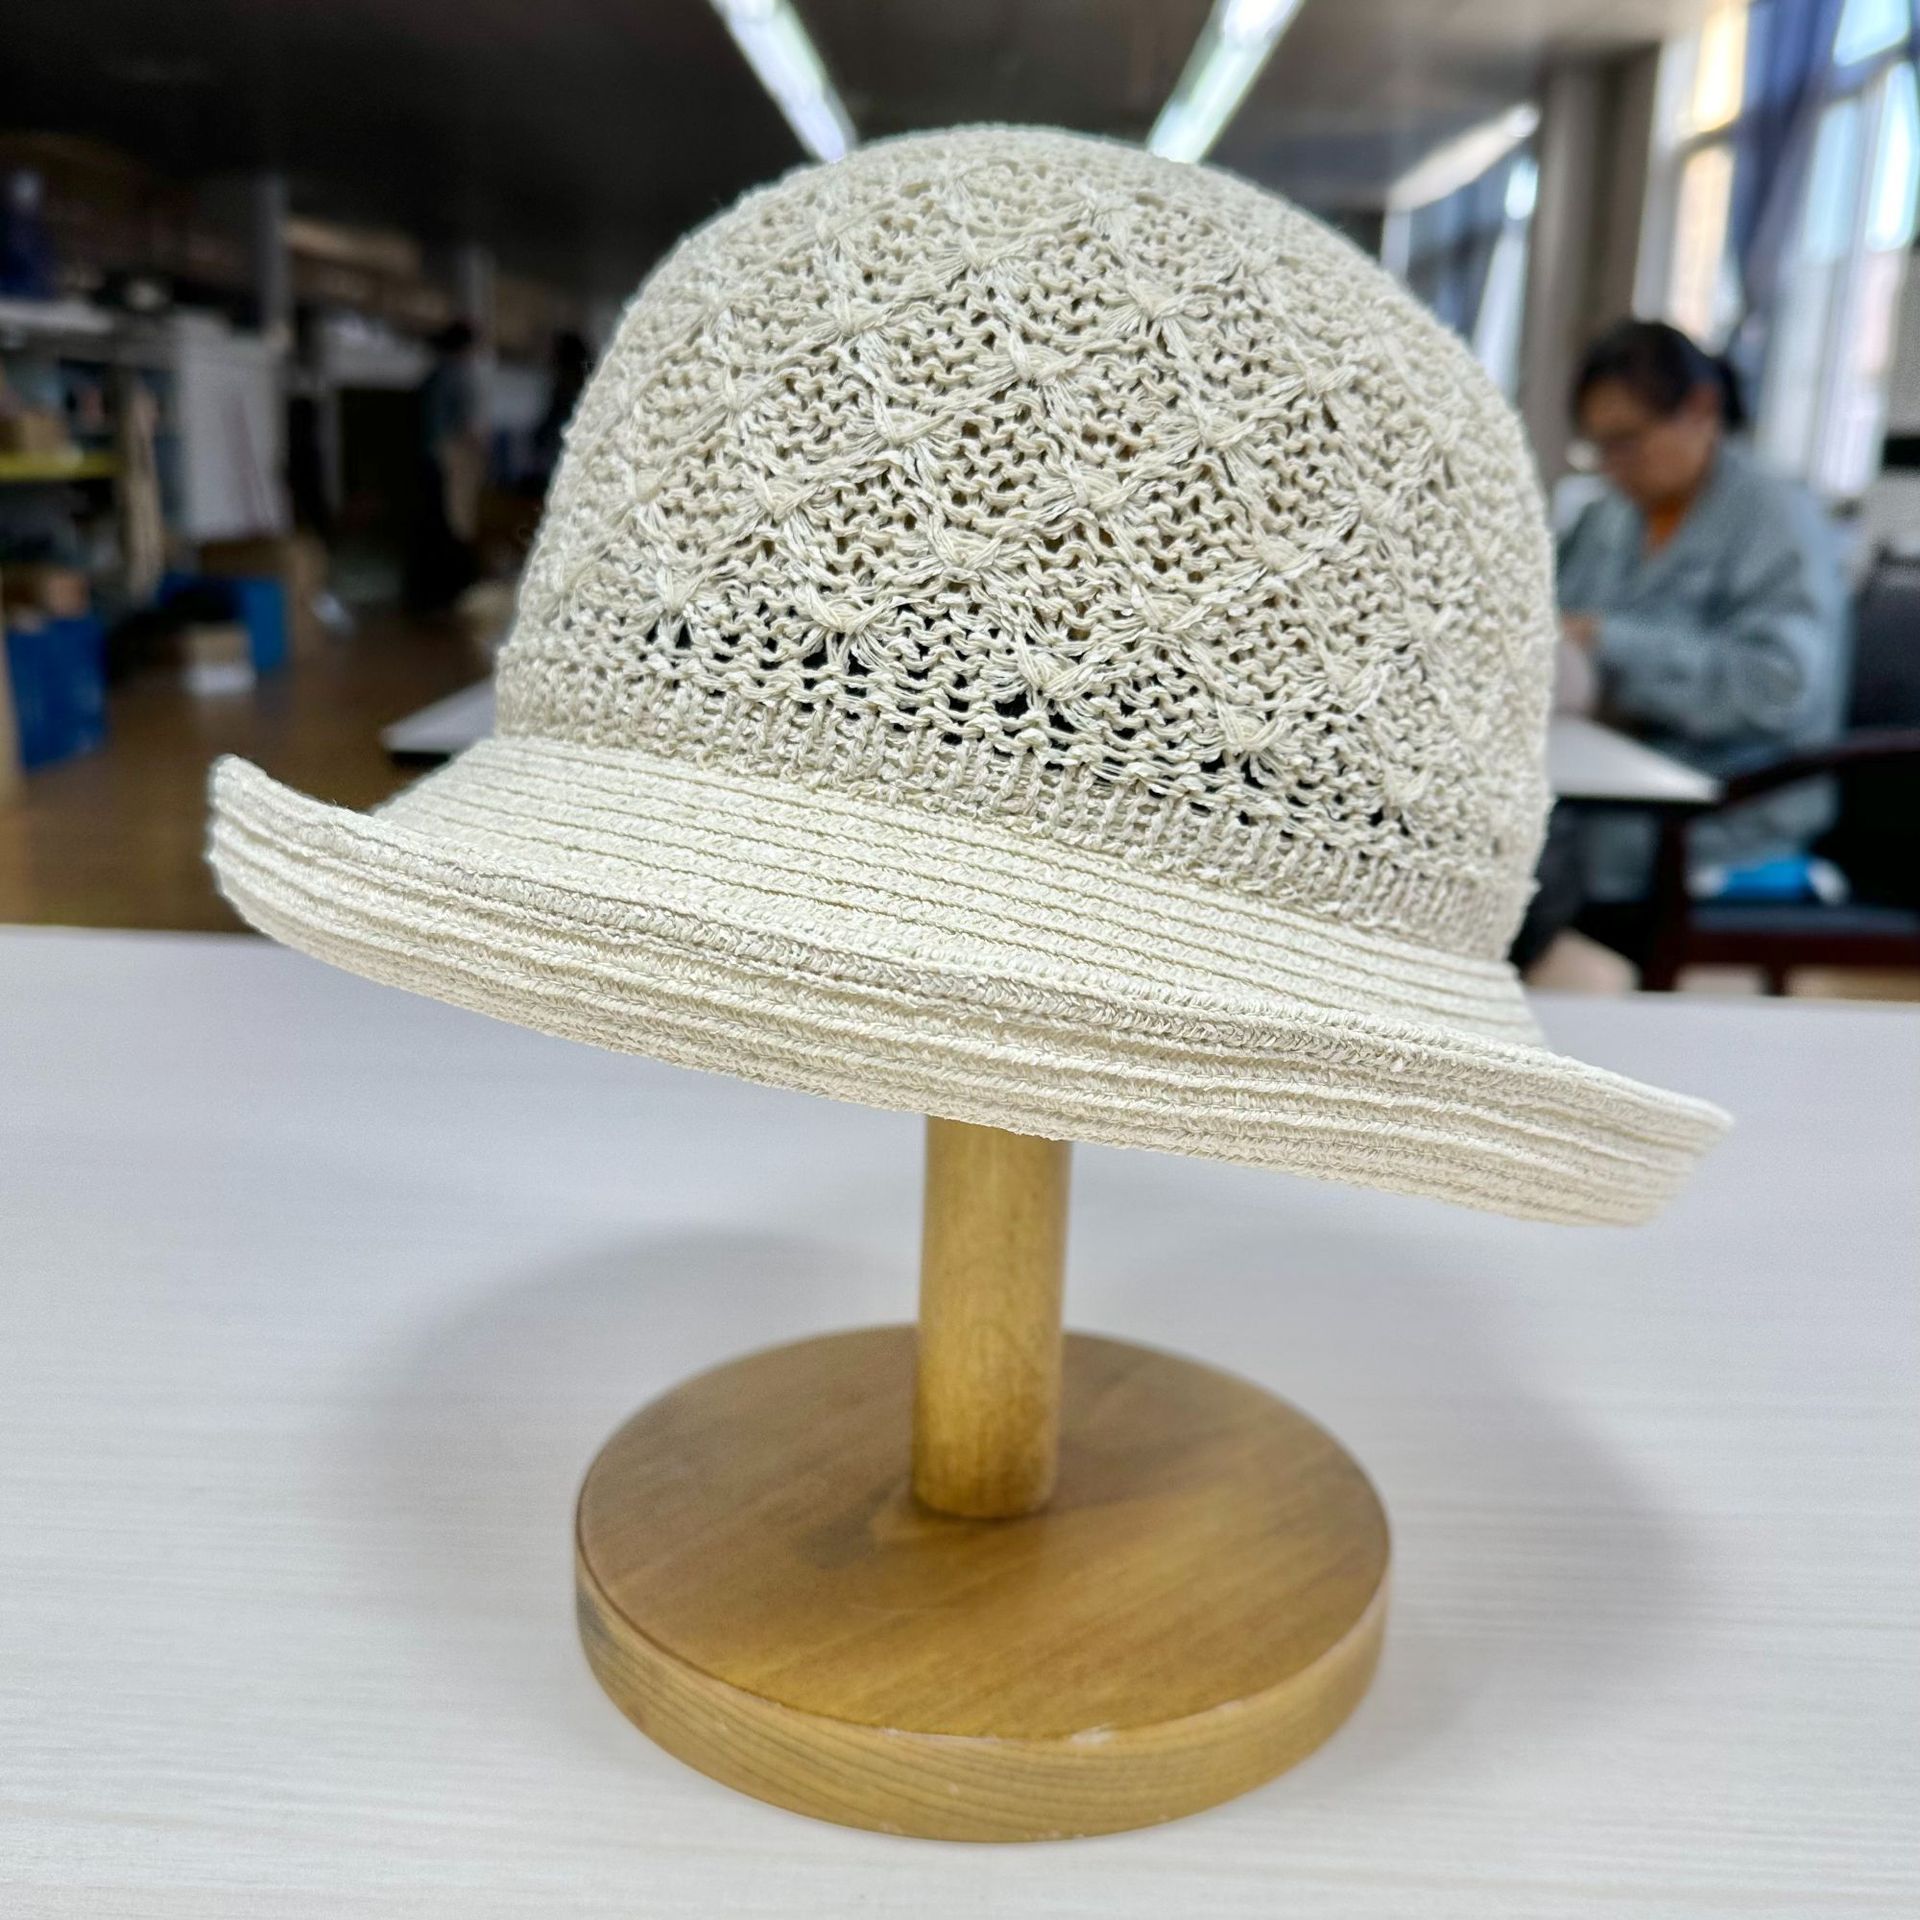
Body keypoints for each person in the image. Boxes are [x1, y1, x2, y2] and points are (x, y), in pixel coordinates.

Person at [1513, 319, 1849, 975]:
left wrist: (1608, 643)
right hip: (1614, 793)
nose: (1612, 465)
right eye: (1598, 447)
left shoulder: (1777, 519)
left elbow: (1775, 685)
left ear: (1700, 410)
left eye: (1627, 441)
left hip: (1728, 810)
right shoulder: (1608, 517)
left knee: (1525, 878)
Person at [405, 319, 486, 612]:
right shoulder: (457, 377)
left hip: (431, 464)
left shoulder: (433, 377)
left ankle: (430, 596)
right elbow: (465, 428)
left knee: (434, 529)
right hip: (448, 465)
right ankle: (450, 596)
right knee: (452, 528)